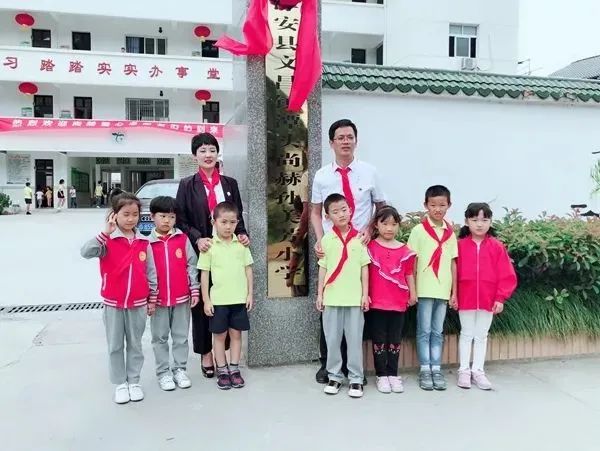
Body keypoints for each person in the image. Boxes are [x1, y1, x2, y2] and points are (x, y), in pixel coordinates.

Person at [311, 118, 386, 384]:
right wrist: (320, 240)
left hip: (360, 246)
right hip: (332, 248)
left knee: (357, 308)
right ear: (331, 143)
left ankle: (355, 370)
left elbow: (381, 207)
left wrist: (370, 230)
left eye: (350, 137)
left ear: (356, 140)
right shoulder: (322, 175)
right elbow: (315, 212)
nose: (346, 141)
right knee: (329, 306)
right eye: (340, 137)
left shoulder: (369, 172)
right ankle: (328, 366)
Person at [176, 132, 249, 379]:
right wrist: (198, 238)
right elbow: (181, 220)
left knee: (226, 301)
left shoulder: (229, 184)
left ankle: (225, 356)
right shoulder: (187, 185)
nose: (208, 155)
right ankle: (205, 353)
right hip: (203, 251)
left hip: (227, 250)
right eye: (202, 151)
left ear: (218, 154)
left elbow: (238, 215)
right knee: (203, 303)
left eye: (212, 150)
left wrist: (242, 234)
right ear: (194, 156)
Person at [80, 192, 158, 404]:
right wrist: (105, 233)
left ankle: (134, 381)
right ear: (114, 215)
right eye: (126, 214)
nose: (131, 219)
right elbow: (85, 252)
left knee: (135, 345)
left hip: (138, 304)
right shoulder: (106, 241)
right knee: (115, 346)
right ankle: (120, 384)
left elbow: (151, 272)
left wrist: (152, 298)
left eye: (135, 214)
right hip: (113, 304)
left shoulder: (143, 242)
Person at [456, 203, 517, 390]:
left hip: (488, 299)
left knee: (481, 335)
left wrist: (500, 297)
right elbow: (453, 273)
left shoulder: (497, 247)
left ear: (490, 222)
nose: (479, 224)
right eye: (474, 220)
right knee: (466, 334)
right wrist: (454, 295)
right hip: (465, 297)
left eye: (484, 220)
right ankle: (464, 370)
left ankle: (478, 371)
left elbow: (506, 274)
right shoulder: (459, 246)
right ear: (467, 221)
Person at [316, 193, 370, 398]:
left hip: (354, 299)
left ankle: (356, 378)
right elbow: (323, 268)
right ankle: (334, 376)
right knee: (332, 340)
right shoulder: (326, 240)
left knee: (354, 341)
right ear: (327, 216)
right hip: (332, 298)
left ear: (351, 210)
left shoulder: (359, 238)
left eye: (344, 210)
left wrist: (365, 295)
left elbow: (364, 267)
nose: (341, 214)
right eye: (335, 211)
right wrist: (320, 295)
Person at [198, 201, 254, 390]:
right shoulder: (209, 246)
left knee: (236, 335)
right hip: (218, 301)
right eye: (223, 222)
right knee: (219, 336)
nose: (228, 226)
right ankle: (222, 369)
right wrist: (206, 300)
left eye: (232, 222)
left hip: (238, 299)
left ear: (237, 222)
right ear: (214, 222)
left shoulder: (242, 245)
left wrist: (250, 294)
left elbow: (248, 270)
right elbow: (204, 275)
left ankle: (234, 368)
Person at [407, 185, 458, 391]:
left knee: (437, 331)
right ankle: (425, 369)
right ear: (426, 205)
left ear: (449, 205)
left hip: (443, 290)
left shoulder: (450, 233)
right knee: (424, 331)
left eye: (442, 205)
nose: (438, 209)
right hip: (424, 290)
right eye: (433, 205)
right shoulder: (418, 231)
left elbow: (453, 263)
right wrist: (412, 290)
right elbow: (411, 263)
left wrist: (454, 292)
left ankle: (436, 368)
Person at [148, 196, 200, 391]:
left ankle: (180, 369)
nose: (167, 221)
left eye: (171, 217)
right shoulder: (147, 243)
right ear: (152, 216)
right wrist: (149, 297)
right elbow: (145, 272)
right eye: (162, 216)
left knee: (180, 336)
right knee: (159, 338)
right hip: (158, 300)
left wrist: (194, 289)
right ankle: (163, 373)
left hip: (181, 298)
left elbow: (192, 265)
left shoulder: (182, 239)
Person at [366, 206, 416, 394]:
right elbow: (364, 273)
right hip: (377, 302)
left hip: (398, 301)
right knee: (379, 339)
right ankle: (381, 375)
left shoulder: (404, 250)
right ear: (376, 225)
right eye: (385, 223)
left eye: (394, 224)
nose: (389, 228)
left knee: (395, 339)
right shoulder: (369, 247)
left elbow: (409, 273)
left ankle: (393, 374)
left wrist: (413, 293)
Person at [287, 195, 308, 296]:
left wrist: (290, 278)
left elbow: (295, 257)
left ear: (298, 212)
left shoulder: (299, 232)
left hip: (299, 280)